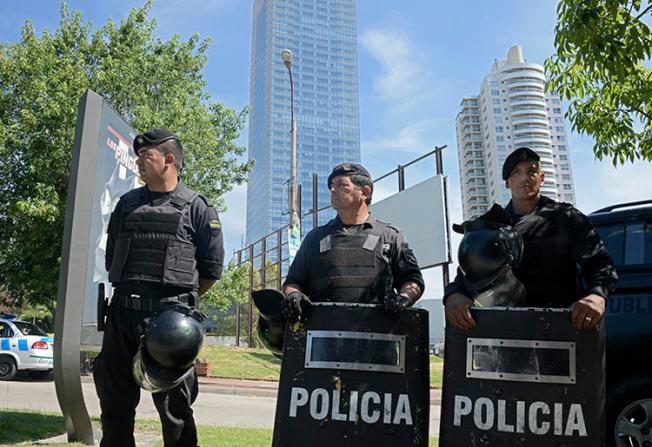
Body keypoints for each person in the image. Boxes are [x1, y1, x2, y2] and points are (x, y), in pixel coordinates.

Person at [94, 128, 224, 447]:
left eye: (146, 155)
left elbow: (210, 271)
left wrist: (177, 306)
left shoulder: (198, 208)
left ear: (168, 160)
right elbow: (112, 258)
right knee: (114, 408)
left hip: (169, 324)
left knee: (175, 412)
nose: (139, 161)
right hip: (122, 316)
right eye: (137, 156)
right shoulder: (126, 205)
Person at [445, 147, 617, 331]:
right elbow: (469, 270)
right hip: (507, 331)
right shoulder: (491, 227)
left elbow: (601, 264)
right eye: (516, 173)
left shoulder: (566, 217)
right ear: (507, 182)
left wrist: (596, 297)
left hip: (561, 329)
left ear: (541, 178)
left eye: (531, 171)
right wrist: (454, 295)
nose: (524, 178)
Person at [282, 162, 424, 320]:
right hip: (322, 336)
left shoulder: (390, 236)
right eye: (332, 185)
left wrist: (404, 297)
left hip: (377, 337)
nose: (332, 190)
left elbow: (413, 280)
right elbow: (292, 282)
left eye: (342, 185)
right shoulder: (315, 238)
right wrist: (294, 295)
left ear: (365, 192)